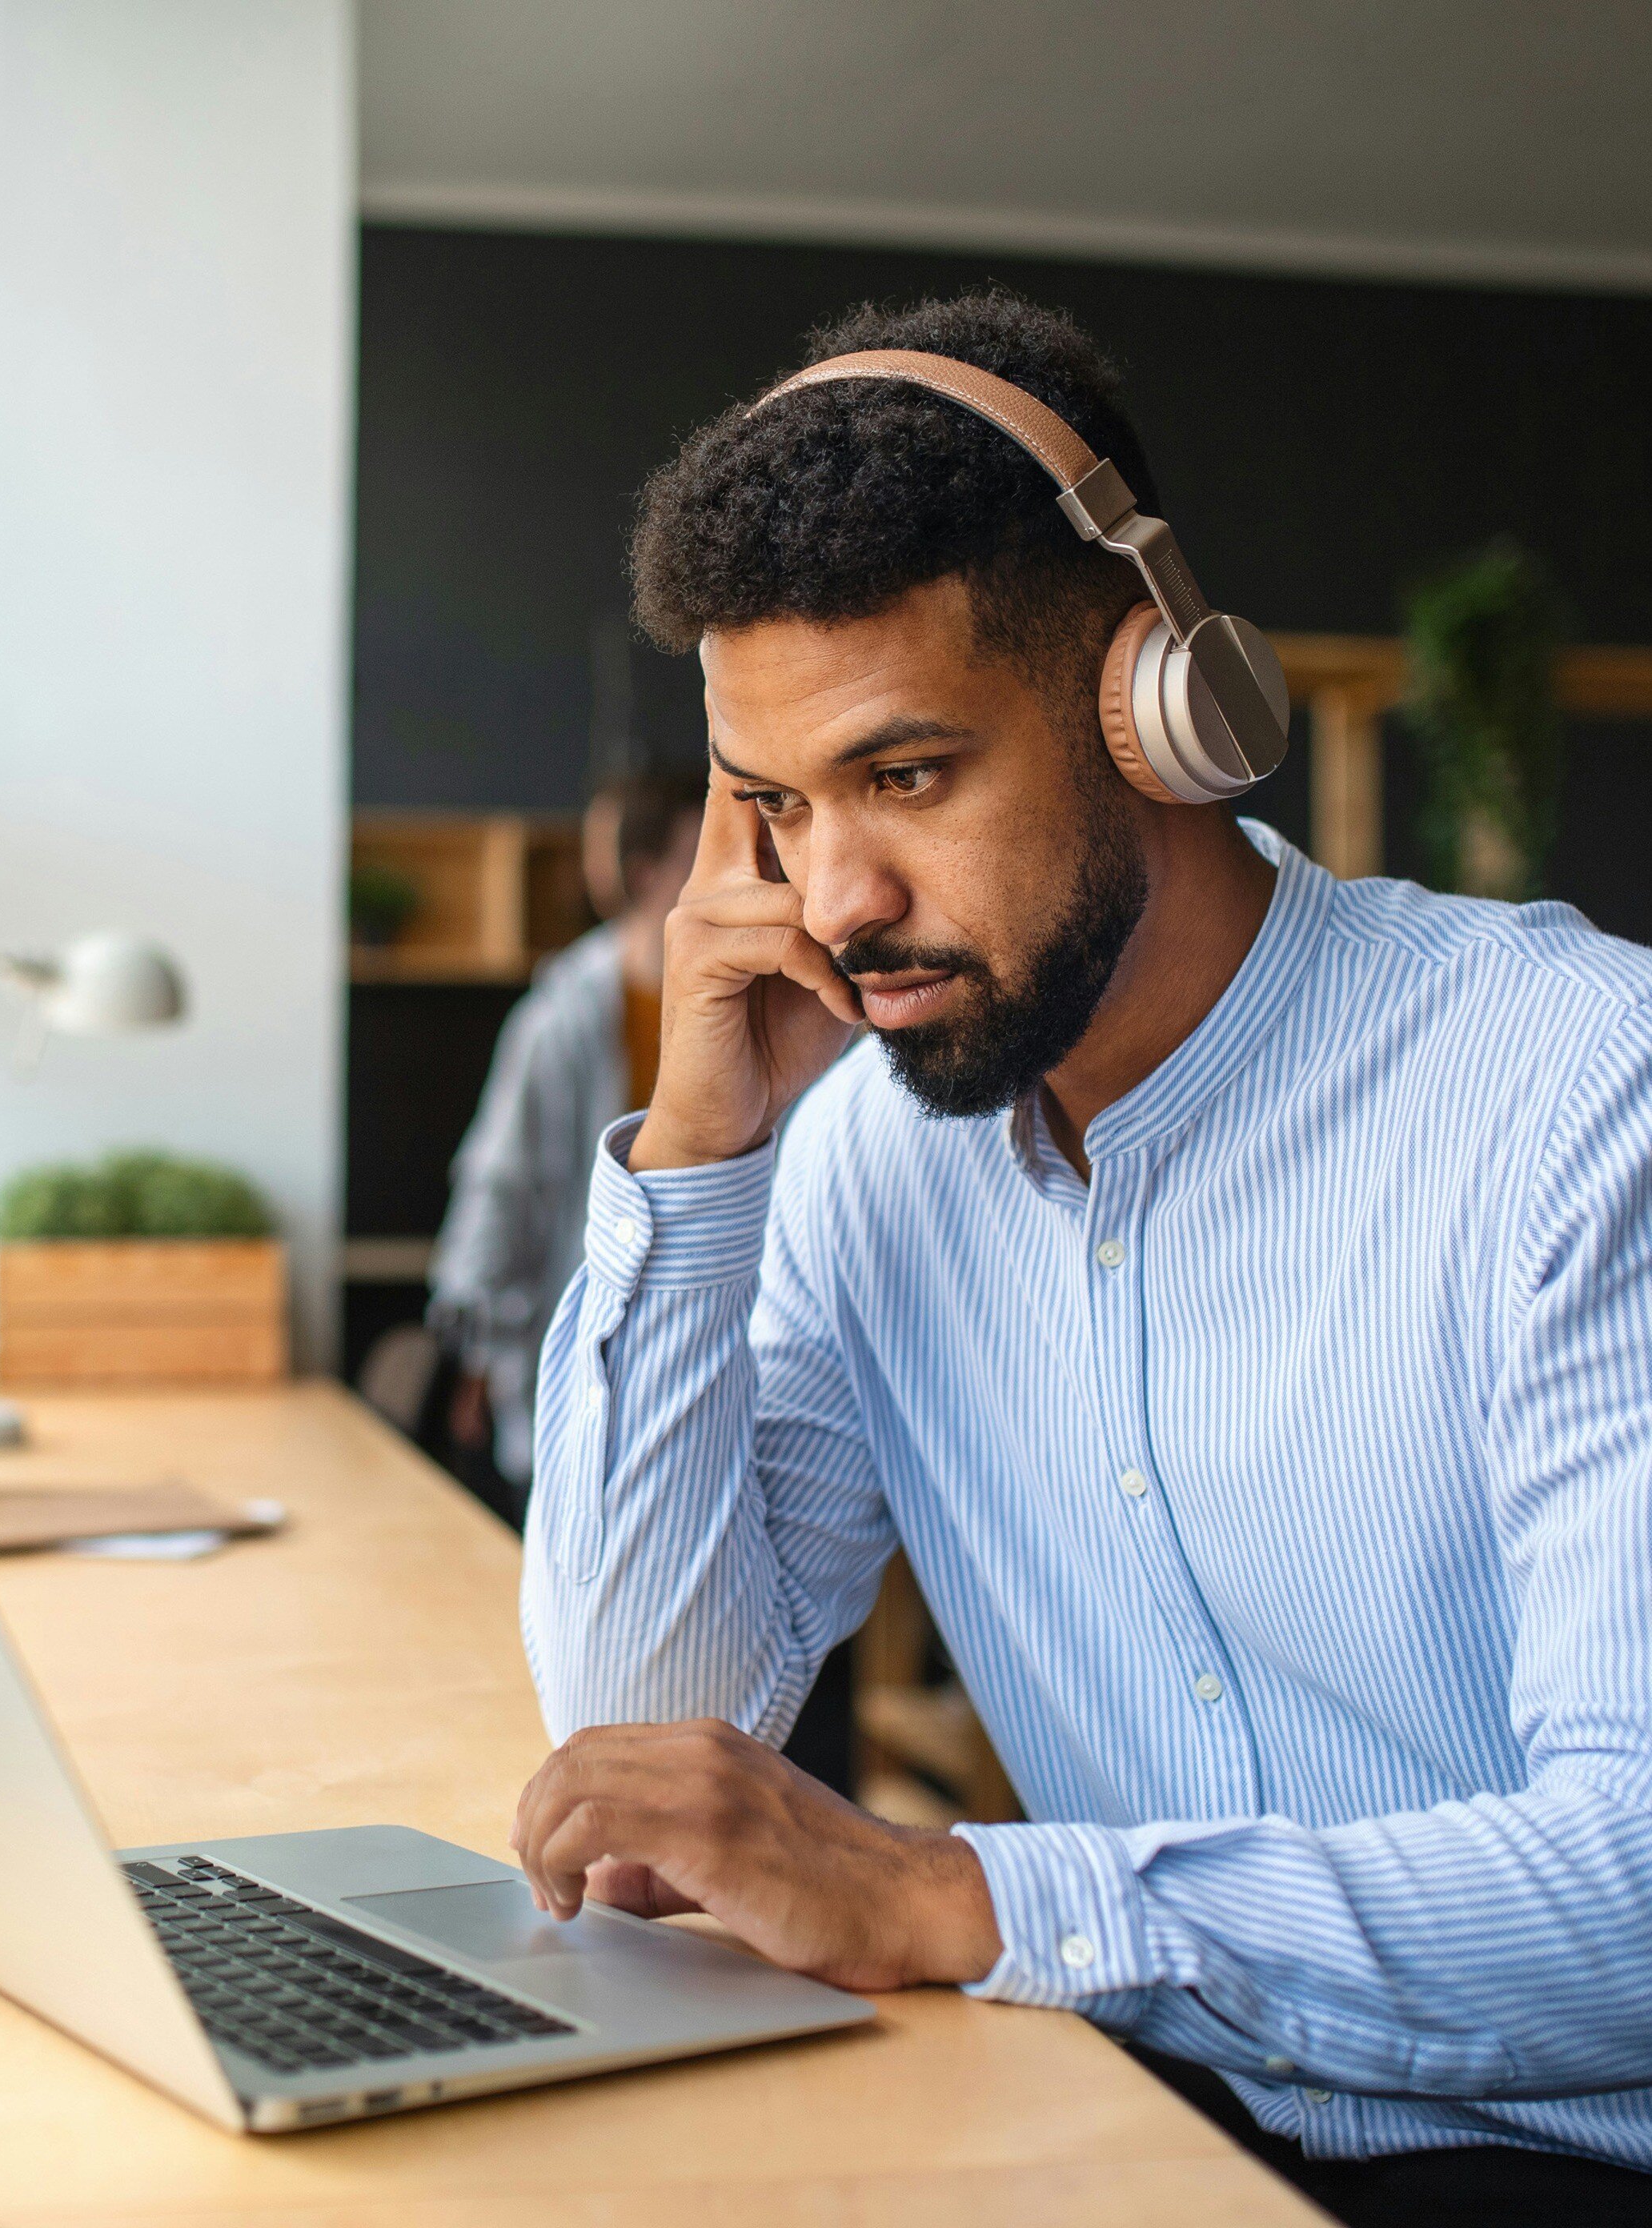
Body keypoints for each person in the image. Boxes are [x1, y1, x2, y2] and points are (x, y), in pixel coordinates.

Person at [512, 291, 1652, 2228]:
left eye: (906, 774)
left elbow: (1630, 1890)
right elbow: (645, 1712)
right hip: (1148, 2118)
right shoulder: (862, 1149)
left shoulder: (1574, 1091)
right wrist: (700, 1149)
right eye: (774, 810)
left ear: (1158, 707)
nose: (838, 901)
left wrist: (951, 1890)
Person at [427, 767, 706, 1514]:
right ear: (648, 876)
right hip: (587, 1348)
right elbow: (502, 1179)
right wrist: (479, 1354)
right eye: (702, 854)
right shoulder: (567, 1016)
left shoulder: (781, 1004)